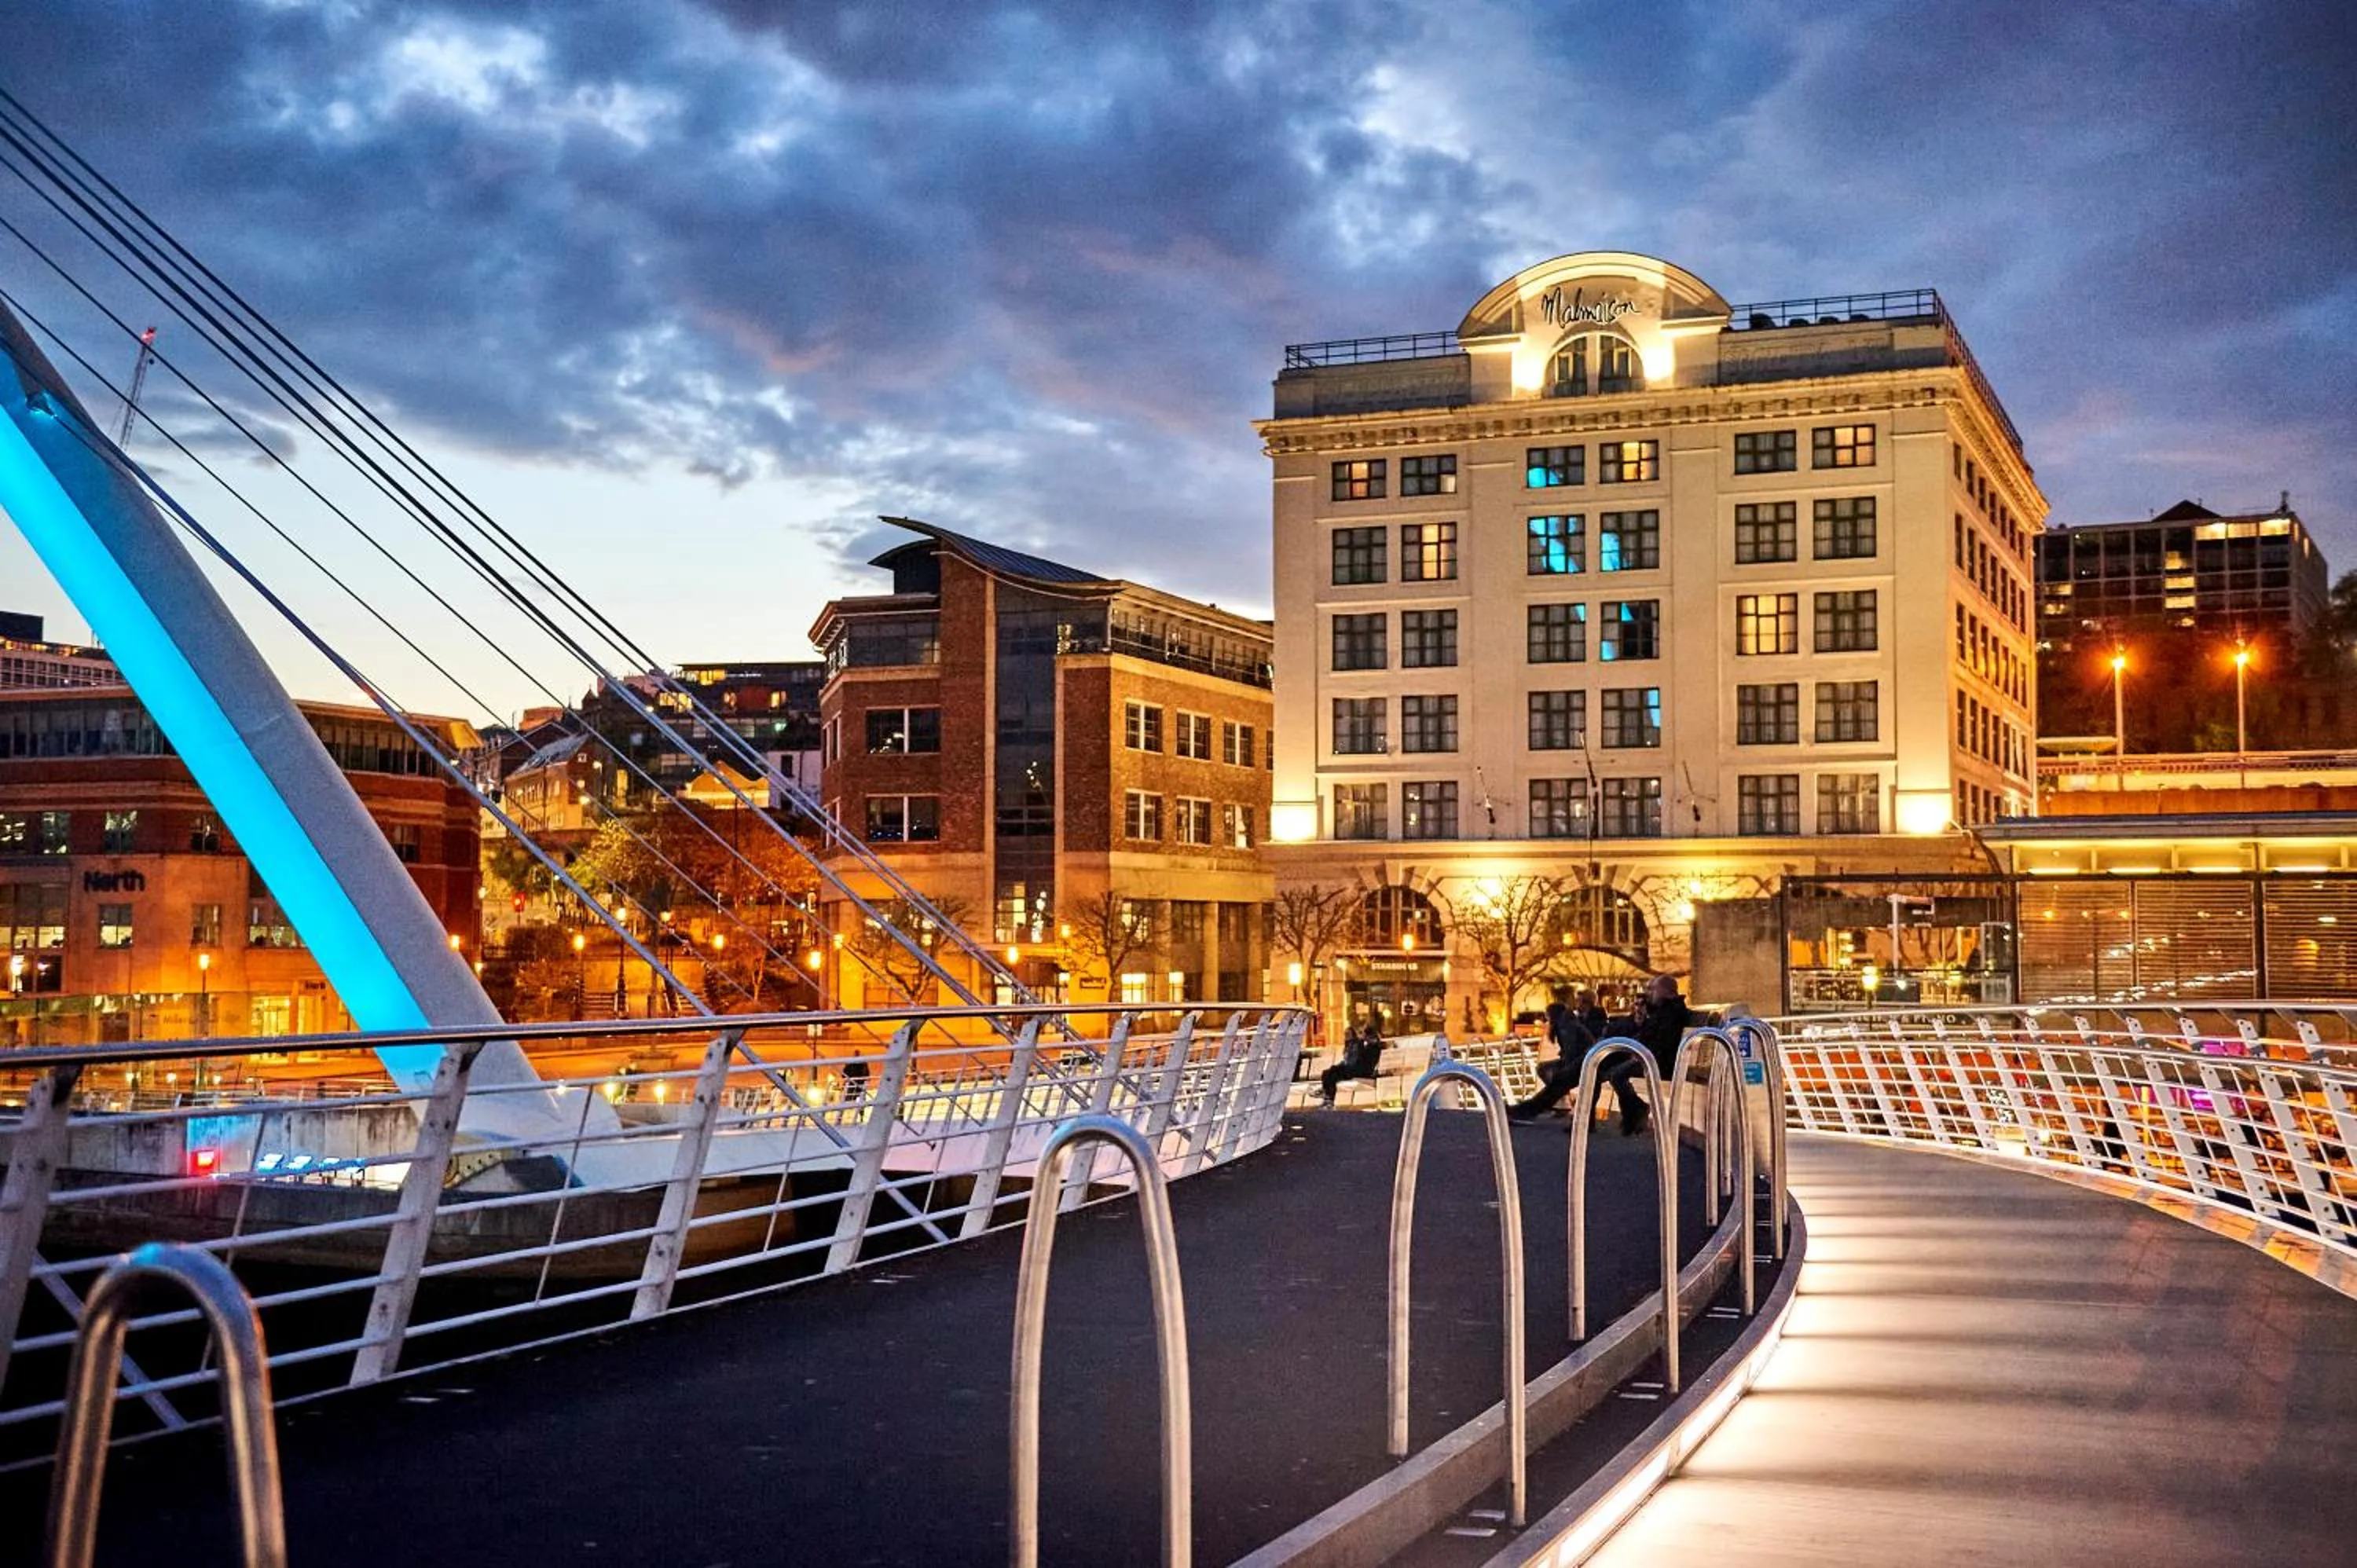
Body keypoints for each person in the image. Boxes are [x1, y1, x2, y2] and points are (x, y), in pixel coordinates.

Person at [1505, 986, 1599, 1122]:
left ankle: (1526, 1111)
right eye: (1577, 1001)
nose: (1577, 1005)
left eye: (1580, 1002)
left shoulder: (1572, 1022)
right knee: (1548, 1074)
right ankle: (1533, 1109)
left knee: (1557, 1083)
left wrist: (1566, 1067)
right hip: (1581, 1061)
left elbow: (1575, 1048)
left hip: (1585, 1063)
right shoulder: (1573, 1020)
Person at [1318, 1023, 1383, 1106]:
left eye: (1362, 1033)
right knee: (1329, 1072)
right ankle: (1327, 1093)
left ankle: (1328, 1095)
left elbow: (1361, 1060)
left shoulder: (1370, 1045)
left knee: (1333, 1072)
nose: (1361, 1035)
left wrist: (1361, 1042)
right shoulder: (1363, 1044)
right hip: (1356, 1068)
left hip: (1361, 1071)